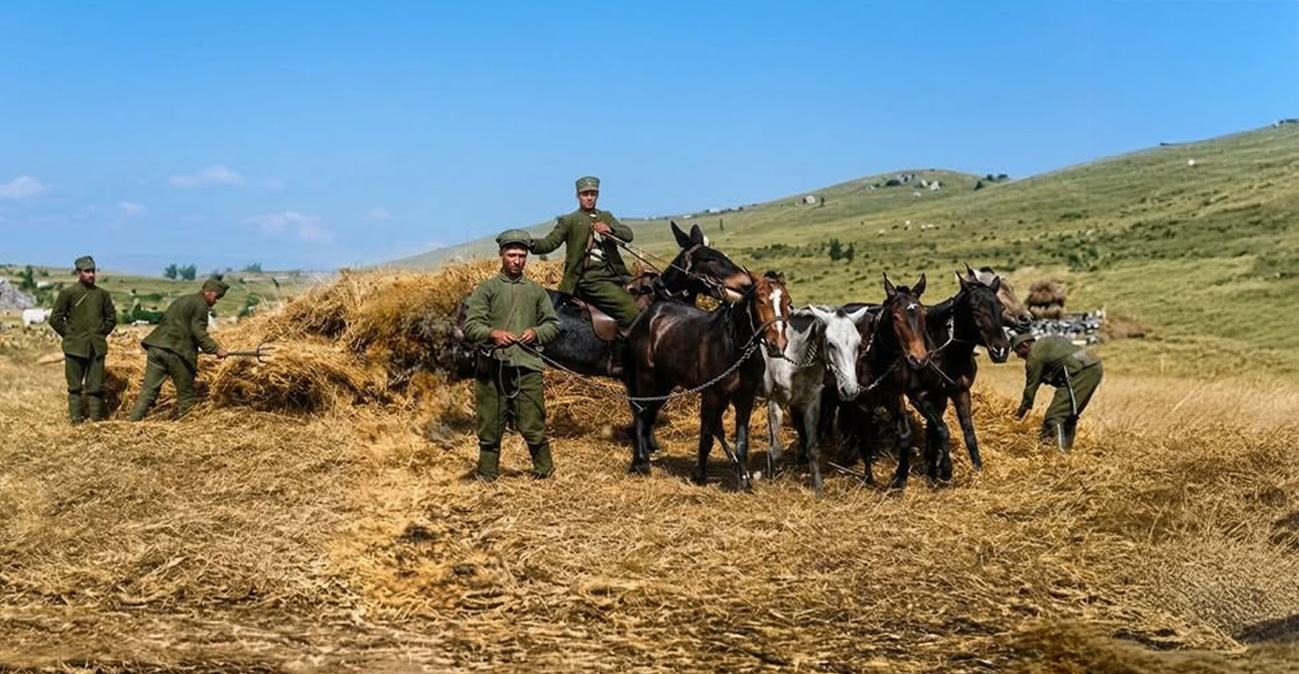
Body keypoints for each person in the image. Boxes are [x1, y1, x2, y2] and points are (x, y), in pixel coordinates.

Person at [463, 229, 561, 481]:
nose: (517, 260)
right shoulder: (486, 289)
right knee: (490, 425)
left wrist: (536, 332)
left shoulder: (537, 292)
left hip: (528, 366)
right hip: (492, 367)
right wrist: (493, 333)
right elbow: (471, 326)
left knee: (534, 423)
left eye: (521, 255)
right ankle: (487, 475)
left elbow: (553, 324)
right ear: (501, 255)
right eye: (511, 255)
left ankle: (545, 473)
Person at [530, 176, 642, 332]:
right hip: (589, 280)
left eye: (593, 194)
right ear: (578, 196)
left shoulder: (606, 217)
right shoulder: (569, 221)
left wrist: (611, 230)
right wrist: (533, 244)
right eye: (585, 194)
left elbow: (628, 234)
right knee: (631, 311)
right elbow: (550, 243)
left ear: (598, 195)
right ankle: (622, 351)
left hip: (616, 275)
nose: (589, 198)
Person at [129, 278, 230, 421]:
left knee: (148, 391)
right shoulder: (201, 305)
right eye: (217, 297)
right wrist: (216, 350)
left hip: (156, 347)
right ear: (208, 292)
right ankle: (186, 429)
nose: (217, 301)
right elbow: (199, 333)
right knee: (186, 396)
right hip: (176, 352)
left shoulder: (183, 300)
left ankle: (132, 423)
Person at [49, 255, 116, 423]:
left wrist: (100, 334)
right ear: (79, 272)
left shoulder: (103, 295)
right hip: (74, 348)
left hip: (96, 348)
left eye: (93, 271)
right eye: (87, 271)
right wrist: (70, 335)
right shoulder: (68, 293)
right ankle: (76, 421)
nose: (91, 275)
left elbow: (111, 319)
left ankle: (96, 421)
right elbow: (55, 319)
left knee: (95, 388)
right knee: (75, 388)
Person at [1012, 332, 1104, 452]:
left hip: (1080, 372)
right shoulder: (1046, 341)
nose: (1018, 356)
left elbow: (1031, 388)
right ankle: (1066, 451)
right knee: (1069, 415)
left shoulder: (1033, 356)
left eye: (1017, 351)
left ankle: (1060, 457)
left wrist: (1018, 415)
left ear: (1024, 345)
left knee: (1054, 417)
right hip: (1093, 366)